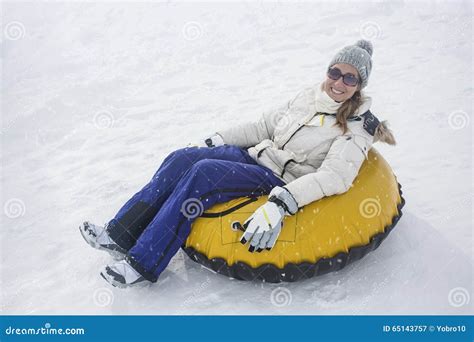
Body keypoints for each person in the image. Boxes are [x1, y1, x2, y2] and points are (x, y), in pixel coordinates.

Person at [80, 39, 396, 288]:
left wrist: (283, 203)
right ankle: (118, 234)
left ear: (360, 84)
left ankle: (142, 263)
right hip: (254, 156)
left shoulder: (357, 126)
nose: (339, 82)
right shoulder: (308, 97)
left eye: (349, 78)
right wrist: (216, 139)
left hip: (275, 179)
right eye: (334, 72)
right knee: (181, 159)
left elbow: (335, 177)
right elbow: (262, 127)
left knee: (203, 174)